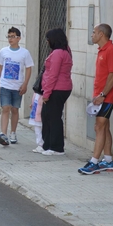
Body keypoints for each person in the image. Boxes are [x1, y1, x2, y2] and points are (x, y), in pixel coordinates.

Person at [79, 24, 113, 175]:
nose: (92, 35)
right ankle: (108, 161)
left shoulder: (112, 51)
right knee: (104, 127)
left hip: (108, 97)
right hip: (101, 96)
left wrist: (103, 95)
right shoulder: (102, 50)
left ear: (101, 34)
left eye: (94, 32)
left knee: (99, 127)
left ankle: (94, 162)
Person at [0, 27, 34, 145]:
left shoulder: (25, 53)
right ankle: (3, 134)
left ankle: (13, 132)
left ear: (19, 38)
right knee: (5, 108)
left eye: (13, 36)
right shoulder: (3, 51)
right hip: (5, 85)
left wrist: (25, 84)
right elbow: (0, 67)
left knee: (15, 109)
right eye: (9, 36)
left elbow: (28, 68)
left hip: (17, 86)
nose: (10, 39)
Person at [39, 28, 72, 156]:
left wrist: (46, 94)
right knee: (47, 116)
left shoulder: (58, 53)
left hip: (57, 89)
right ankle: (47, 145)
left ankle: (56, 147)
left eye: (48, 40)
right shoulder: (65, 51)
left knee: (53, 118)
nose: (47, 42)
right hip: (60, 88)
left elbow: (53, 75)